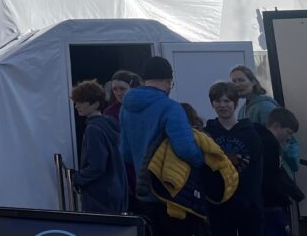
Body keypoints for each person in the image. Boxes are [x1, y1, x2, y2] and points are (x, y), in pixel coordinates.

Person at [120, 56, 204, 236]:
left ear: (144, 80)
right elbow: (185, 148)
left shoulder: (125, 108)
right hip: (170, 193)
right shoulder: (170, 107)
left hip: (143, 191)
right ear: (168, 81)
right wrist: (201, 159)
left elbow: (125, 153)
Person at [203, 81, 263, 236]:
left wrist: (247, 199)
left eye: (227, 101)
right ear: (212, 104)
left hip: (248, 204)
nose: (222, 105)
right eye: (218, 101)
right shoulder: (207, 134)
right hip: (218, 204)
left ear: (235, 104)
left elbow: (257, 170)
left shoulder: (251, 134)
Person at [230, 66, 300, 177]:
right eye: (234, 81)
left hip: (272, 170)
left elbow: (280, 140)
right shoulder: (244, 108)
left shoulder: (265, 107)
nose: (237, 84)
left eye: (241, 80)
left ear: (253, 82)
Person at [70, 79, 128, 213]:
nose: (77, 106)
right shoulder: (111, 124)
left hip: (99, 196)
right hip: (116, 192)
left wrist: (77, 178)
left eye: (81, 102)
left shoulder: (93, 129)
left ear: (95, 104)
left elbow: (96, 166)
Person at [258, 108, 305, 236]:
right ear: (276, 126)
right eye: (288, 132)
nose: (289, 138)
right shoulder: (270, 144)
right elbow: (272, 177)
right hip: (270, 206)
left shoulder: (259, 139)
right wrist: (284, 199)